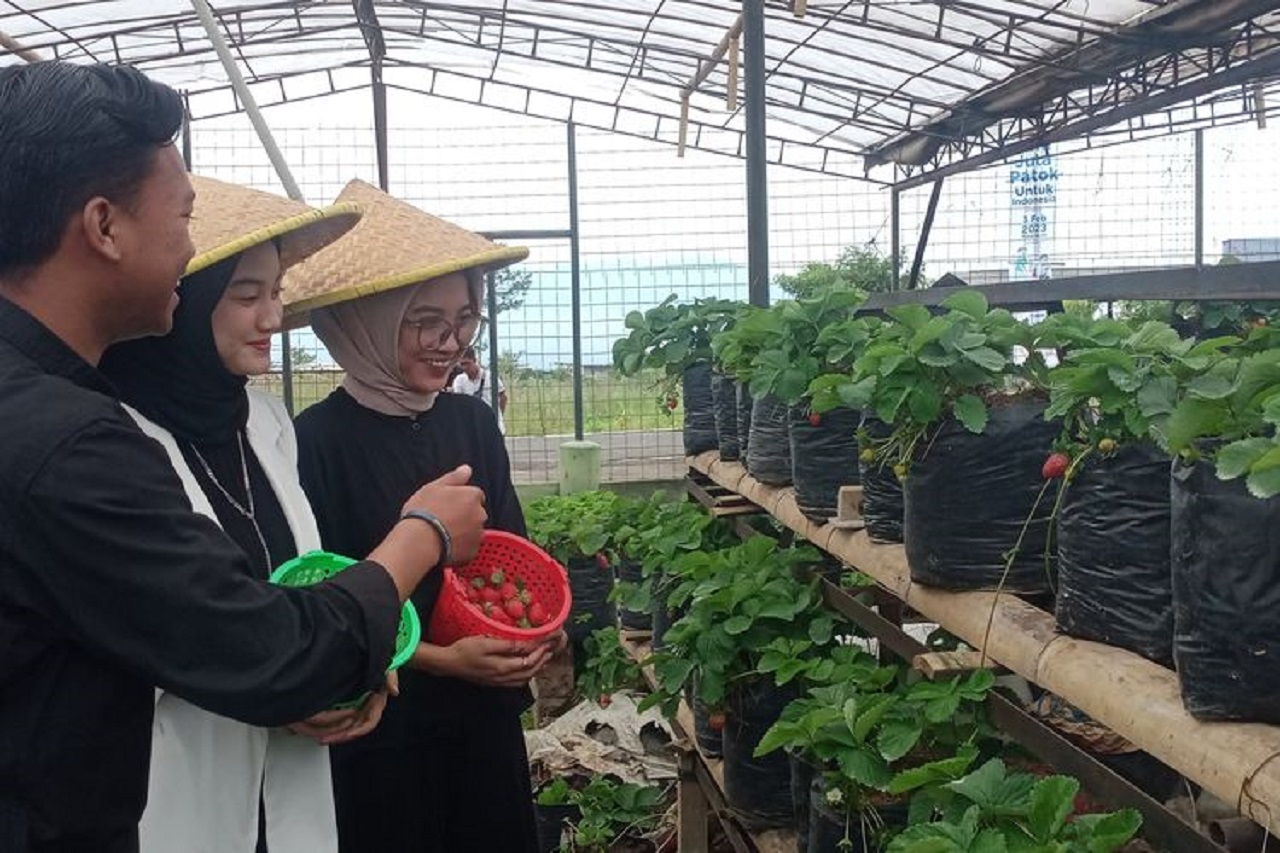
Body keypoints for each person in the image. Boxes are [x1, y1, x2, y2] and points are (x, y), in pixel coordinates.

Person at [0, 62, 486, 853]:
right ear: (104, 225)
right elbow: (266, 647)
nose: (193, 246)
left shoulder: (257, 424)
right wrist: (421, 532)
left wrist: (327, 663)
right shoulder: (73, 442)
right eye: (185, 217)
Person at [98, 175, 379, 853]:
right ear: (184, 304)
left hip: (290, 789)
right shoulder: (115, 443)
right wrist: (290, 675)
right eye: (246, 295)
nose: (273, 317)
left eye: (276, 291)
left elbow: (303, 581)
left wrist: (357, 665)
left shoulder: (266, 423)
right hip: (176, 794)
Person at [285, 179, 562, 853]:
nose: (450, 341)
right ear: (367, 320)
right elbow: (319, 601)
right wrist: (442, 658)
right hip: (384, 726)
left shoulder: (471, 422)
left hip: (483, 717)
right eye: (425, 321)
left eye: (465, 318)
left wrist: (540, 629)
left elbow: (512, 554)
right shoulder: (312, 443)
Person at [450, 346, 508, 434]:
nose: (464, 367)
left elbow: (503, 397)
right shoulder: (460, 380)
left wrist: (499, 415)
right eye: (461, 364)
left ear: (474, 360)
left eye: (467, 363)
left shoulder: (491, 377)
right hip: (471, 427)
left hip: (493, 425)